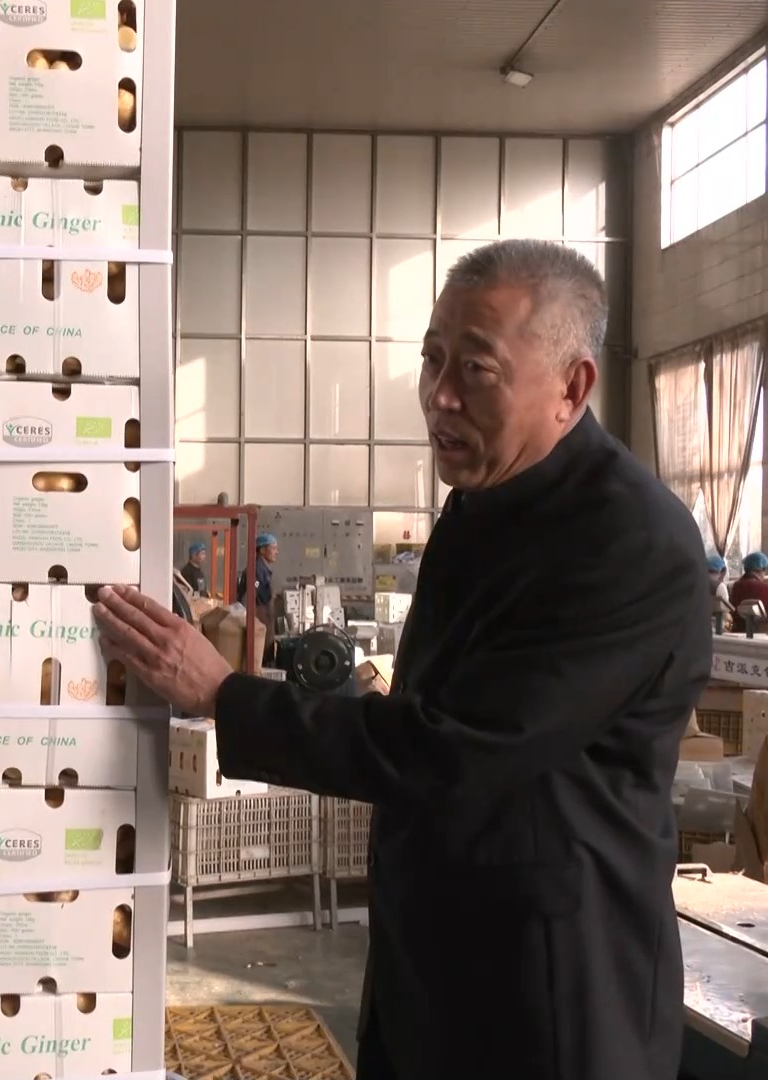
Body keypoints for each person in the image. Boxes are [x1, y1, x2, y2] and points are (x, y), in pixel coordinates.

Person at [92, 239, 710, 1080]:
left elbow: (451, 749)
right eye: (431, 359)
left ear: (572, 387)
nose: (439, 395)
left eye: (476, 370)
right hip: (432, 975)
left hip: (548, 1000)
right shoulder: (481, 506)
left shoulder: (627, 542)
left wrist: (225, 696)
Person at [729, 551, 768, 629]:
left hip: (737, 629)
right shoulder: (763, 588)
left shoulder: (736, 586)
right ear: (761, 569)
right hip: (760, 631)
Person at [237, 531, 277, 609]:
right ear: (262, 550)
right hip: (256, 614)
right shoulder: (258, 570)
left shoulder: (262, 569)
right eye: (273, 548)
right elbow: (251, 591)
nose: (276, 552)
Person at [706, 554, 735, 624]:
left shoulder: (697, 583)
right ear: (722, 572)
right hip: (715, 625)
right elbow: (725, 611)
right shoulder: (720, 586)